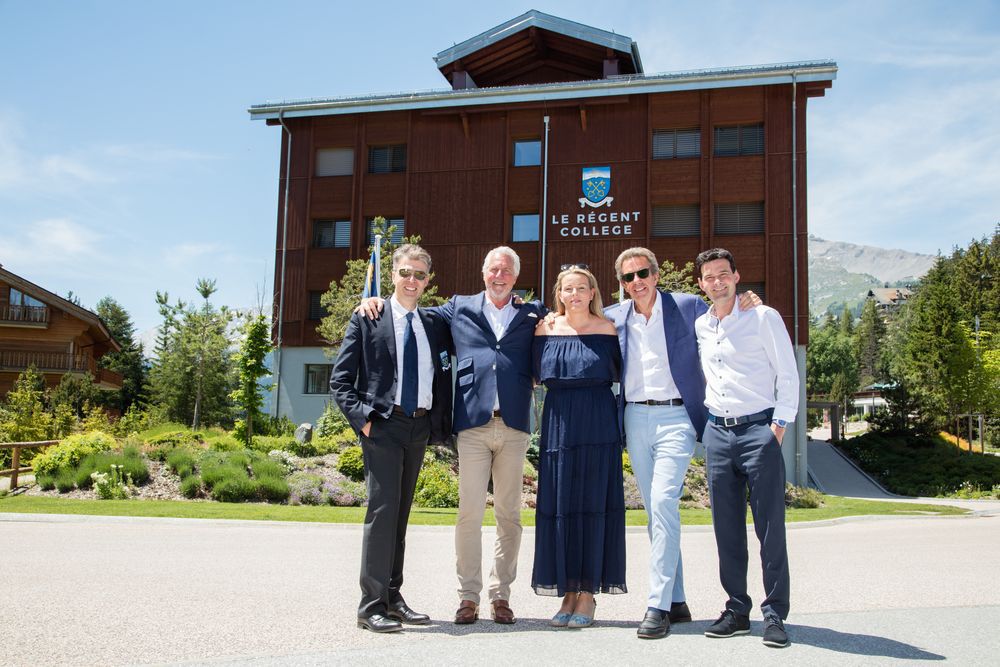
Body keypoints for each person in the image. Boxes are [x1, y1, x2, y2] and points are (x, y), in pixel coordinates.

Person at [358, 246, 544, 625]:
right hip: (473, 426)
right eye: (493, 269)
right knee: (469, 515)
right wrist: (373, 300)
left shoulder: (532, 312)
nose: (499, 276)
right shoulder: (459, 307)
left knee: (510, 516)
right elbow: (411, 310)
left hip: (514, 426)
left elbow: (560, 322)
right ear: (483, 272)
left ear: (516, 276)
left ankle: (501, 595)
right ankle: (468, 597)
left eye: (507, 271)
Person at [604, 247, 758, 640]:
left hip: (677, 417)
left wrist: (746, 300)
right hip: (635, 417)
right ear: (621, 284)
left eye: (642, 273)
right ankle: (678, 600)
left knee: (661, 502)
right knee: (658, 514)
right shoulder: (614, 315)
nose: (636, 282)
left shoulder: (687, 306)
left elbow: (725, 316)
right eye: (628, 277)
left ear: (656, 274)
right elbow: (575, 317)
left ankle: (656, 605)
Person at [330, 244, 454, 634]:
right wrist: (365, 422)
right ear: (394, 275)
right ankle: (370, 606)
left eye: (420, 274)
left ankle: (392, 597)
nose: (412, 280)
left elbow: (477, 309)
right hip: (383, 425)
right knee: (382, 514)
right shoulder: (369, 318)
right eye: (405, 273)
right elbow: (340, 381)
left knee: (400, 516)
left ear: (428, 280)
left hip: (419, 427)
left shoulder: (433, 323)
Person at [694, 247, 799, 649]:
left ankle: (775, 615)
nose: (717, 282)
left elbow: (787, 374)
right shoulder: (702, 324)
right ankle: (737, 609)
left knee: (770, 527)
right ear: (701, 283)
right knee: (726, 529)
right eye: (709, 277)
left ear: (737, 277)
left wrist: (779, 426)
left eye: (724, 274)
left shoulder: (762, 317)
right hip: (717, 433)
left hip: (759, 430)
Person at [533, 266, 626, 629]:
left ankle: (587, 594)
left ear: (592, 293)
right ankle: (568, 590)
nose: (574, 295)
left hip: (598, 424)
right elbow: (532, 373)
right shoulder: (544, 328)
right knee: (562, 505)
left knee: (592, 505)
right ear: (559, 293)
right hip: (558, 425)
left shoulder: (609, 330)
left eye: (581, 289)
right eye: (567, 289)